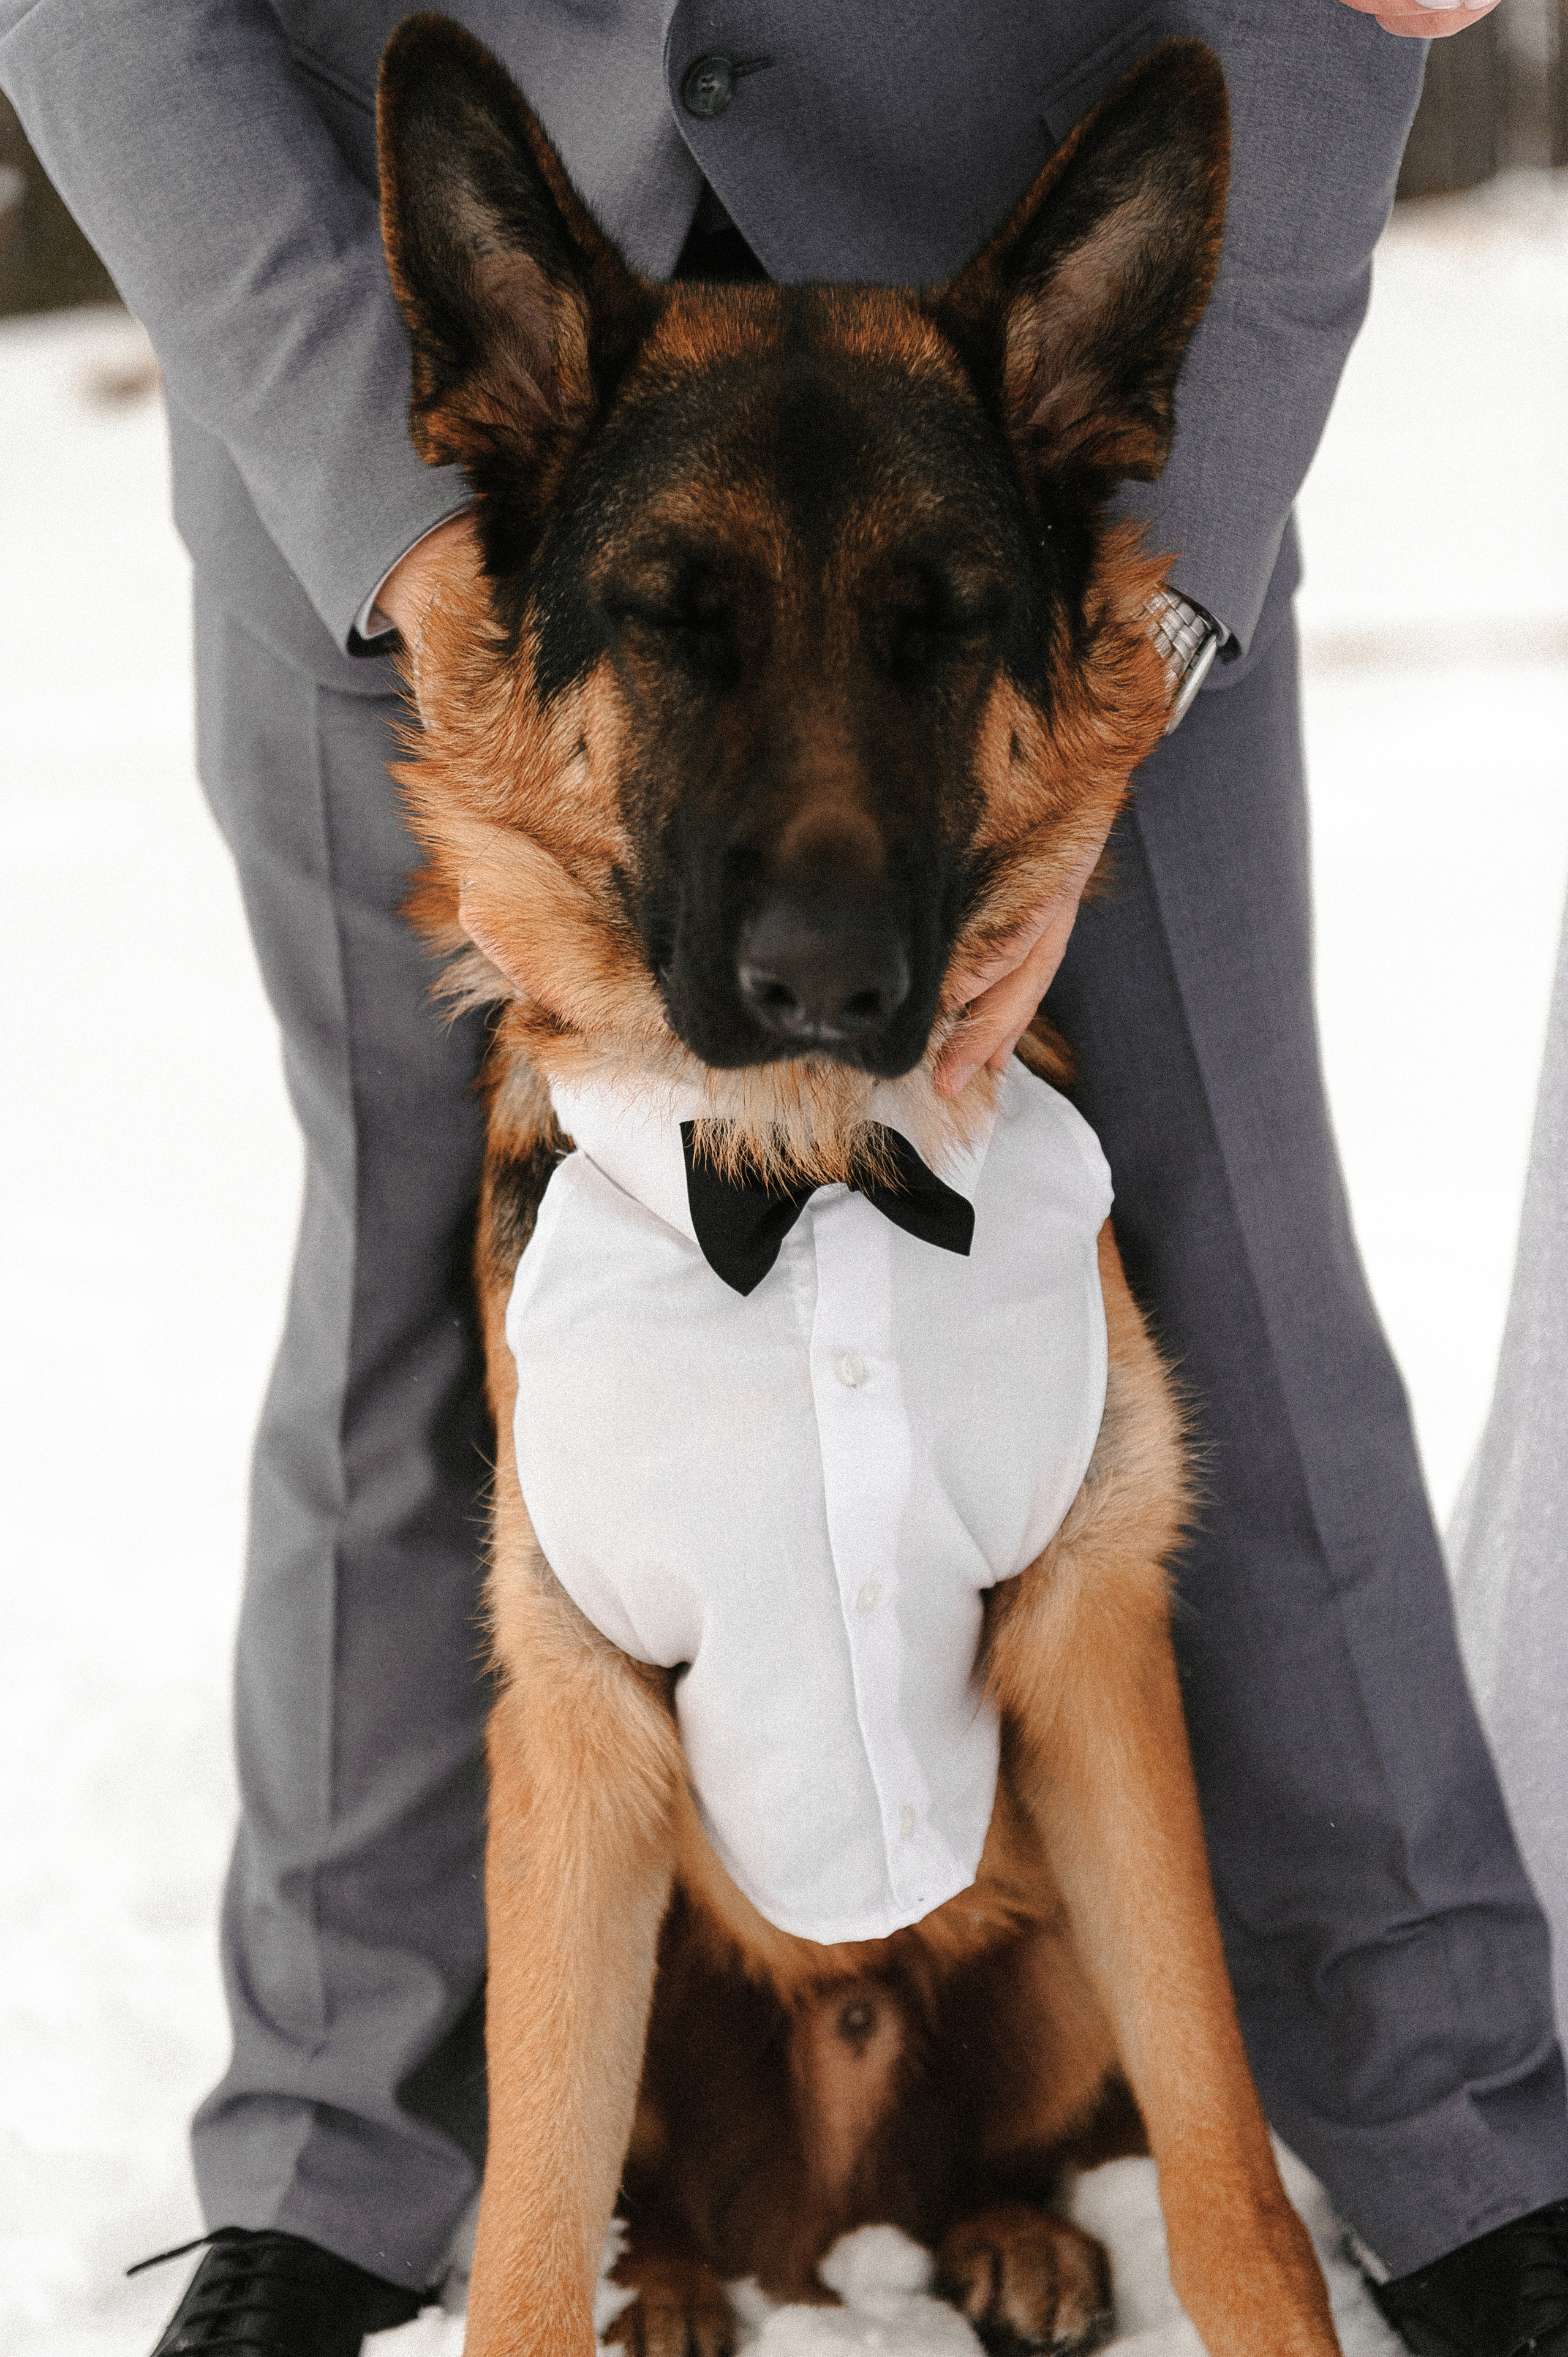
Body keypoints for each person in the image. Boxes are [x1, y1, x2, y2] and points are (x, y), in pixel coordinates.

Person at [2, 2, 1564, 2353]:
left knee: (1231, 1246)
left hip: (1018, 380)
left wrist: (1159, 567)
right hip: (383, 324)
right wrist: (390, 503)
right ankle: (333, 2165)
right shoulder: (396, 429)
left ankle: (1451, 2140)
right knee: (405, 1318)